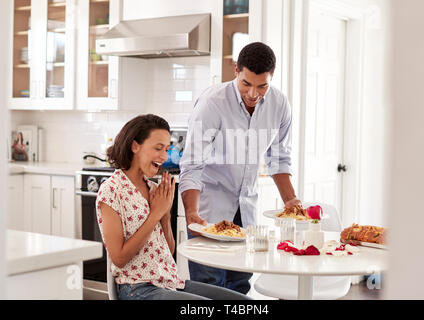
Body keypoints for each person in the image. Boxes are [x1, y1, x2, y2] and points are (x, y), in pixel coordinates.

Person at [179, 42, 302, 294]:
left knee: (239, 286)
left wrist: (290, 200)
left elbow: (279, 158)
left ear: (272, 77)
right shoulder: (212, 103)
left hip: (246, 212)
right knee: (208, 288)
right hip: (208, 212)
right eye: (246, 84)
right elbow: (192, 164)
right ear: (236, 70)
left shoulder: (279, 105)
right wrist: (191, 212)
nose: (253, 94)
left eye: (262, 85)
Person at [96, 114, 251, 300]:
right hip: (137, 288)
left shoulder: (154, 189)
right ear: (135, 146)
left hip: (171, 283)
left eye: (167, 149)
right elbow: (119, 258)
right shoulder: (112, 190)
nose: (164, 156)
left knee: (243, 303)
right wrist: (155, 214)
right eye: (158, 148)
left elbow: (167, 251)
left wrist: (165, 216)